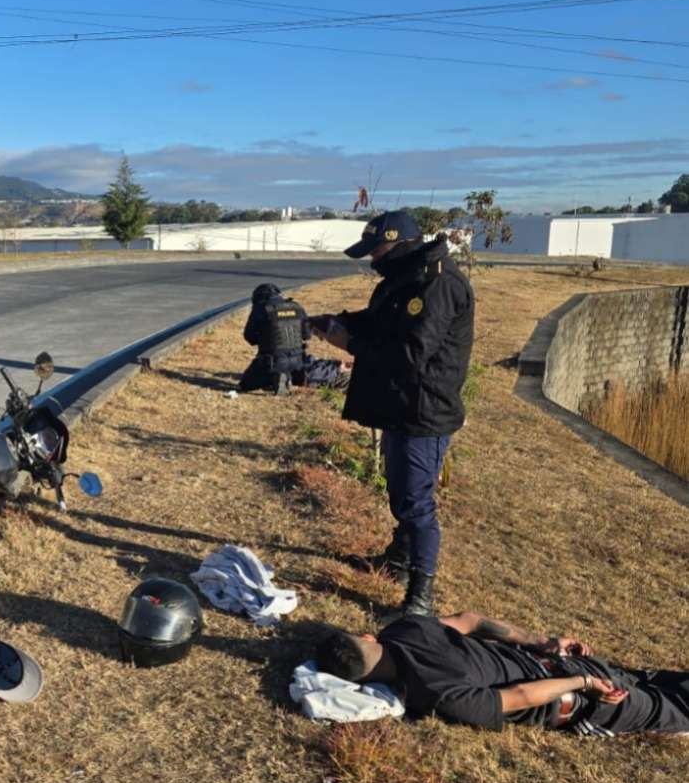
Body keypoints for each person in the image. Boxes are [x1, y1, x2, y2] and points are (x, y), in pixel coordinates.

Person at [309, 211, 475, 616]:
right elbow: (380, 322)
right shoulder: (407, 277)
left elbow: (410, 354)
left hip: (424, 410)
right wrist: (332, 321)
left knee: (416, 502)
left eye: (376, 251)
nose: (372, 260)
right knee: (401, 489)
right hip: (401, 405)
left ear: (400, 244)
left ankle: (420, 596)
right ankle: (398, 560)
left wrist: (349, 344)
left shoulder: (437, 285)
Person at [315, 611, 689, 736]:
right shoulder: (405, 628)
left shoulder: (434, 693)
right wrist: (543, 642)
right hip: (565, 666)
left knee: (669, 705)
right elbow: (472, 620)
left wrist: (585, 684)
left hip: (583, 695)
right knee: (656, 681)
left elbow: (521, 697)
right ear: (369, 638)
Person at [239, 283, 349, 394]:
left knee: (245, 384)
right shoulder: (296, 307)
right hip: (298, 362)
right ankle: (289, 378)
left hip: (271, 361)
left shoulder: (261, 309)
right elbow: (306, 335)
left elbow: (249, 337)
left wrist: (265, 336)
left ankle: (276, 377)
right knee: (302, 370)